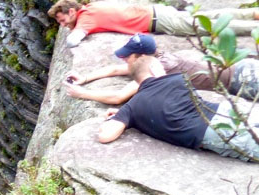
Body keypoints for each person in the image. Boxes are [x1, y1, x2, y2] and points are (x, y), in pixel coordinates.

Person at [97, 56, 259, 162]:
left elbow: (105, 136)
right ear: (154, 69)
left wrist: (122, 117)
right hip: (226, 111)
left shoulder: (133, 107)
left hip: (211, 132)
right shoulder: (178, 79)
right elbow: (167, 102)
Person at [65, 33, 259, 104]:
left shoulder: (157, 69)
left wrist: (83, 94)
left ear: (141, 56)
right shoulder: (153, 57)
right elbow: (115, 70)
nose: (124, 59)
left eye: (127, 56)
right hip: (242, 67)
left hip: (245, 81)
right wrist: (85, 77)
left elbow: (118, 97)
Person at [48, 0, 259, 47]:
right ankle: (251, 14)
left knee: (208, 27)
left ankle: (253, 27)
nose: (63, 24)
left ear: (73, 11)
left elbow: (73, 41)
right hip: (156, 10)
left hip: (158, 21)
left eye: (63, 19)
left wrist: (71, 31)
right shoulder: (91, 6)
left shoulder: (85, 19)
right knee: (207, 16)